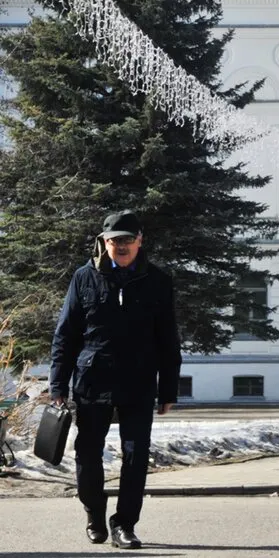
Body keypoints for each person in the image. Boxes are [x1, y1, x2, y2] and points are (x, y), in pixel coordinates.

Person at [48, 210, 182, 549]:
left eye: (127, 239)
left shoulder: (158, 280)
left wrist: (168, 387)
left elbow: (168, 338)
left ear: (139, 241)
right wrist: (58, 385)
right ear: (103, 243)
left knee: (136, 456)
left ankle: (124, 524)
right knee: (87, 454)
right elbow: (65, 335)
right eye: (114, 240)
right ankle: (94, 511)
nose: (120, 246)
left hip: (138, 382)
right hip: (93, 381)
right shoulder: (83, 278)